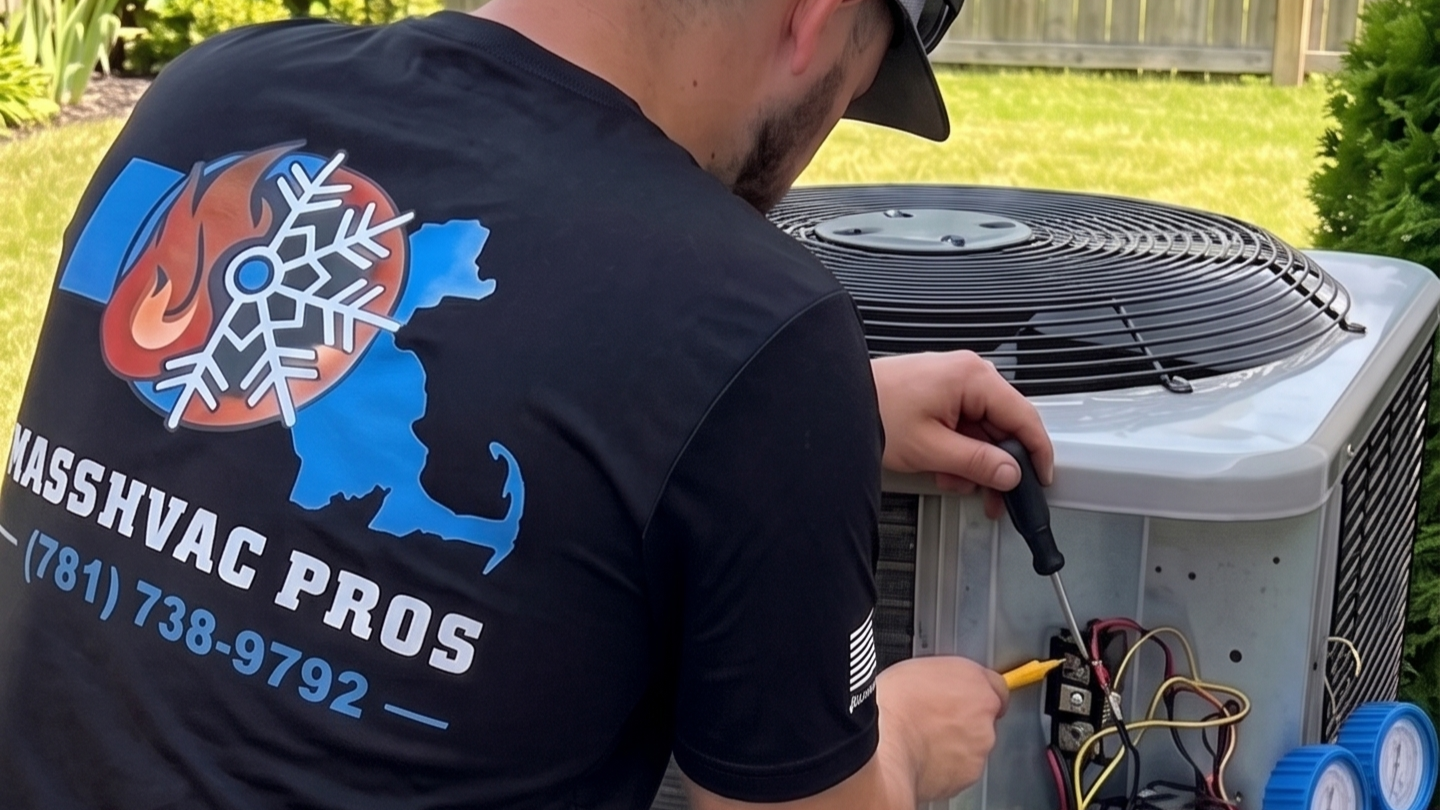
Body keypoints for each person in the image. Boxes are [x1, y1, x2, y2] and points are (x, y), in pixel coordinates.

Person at [0, 0, 1053, 807]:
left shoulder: (217, 94)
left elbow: (303, 391)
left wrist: (801, 436)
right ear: (816, 20)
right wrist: (908, 741)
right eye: (852, 86)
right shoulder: (755, 321)